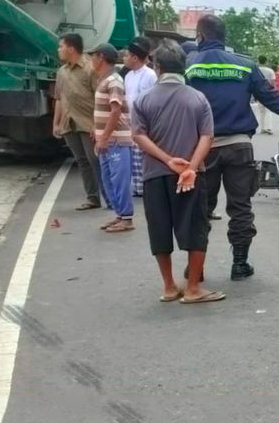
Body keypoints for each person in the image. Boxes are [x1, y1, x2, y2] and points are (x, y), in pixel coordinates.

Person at [186, 15, 279, 280]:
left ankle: (196, 269)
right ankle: (240, 264)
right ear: (224, 37)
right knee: (240, 207)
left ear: (200, 37)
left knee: (201, 208)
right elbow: (274, 100)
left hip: (203, 150)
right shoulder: (245, 66)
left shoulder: (189, 66)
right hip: (239, 145)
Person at [131, 44, 224, 304]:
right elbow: (207, 136)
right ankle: (193, 288)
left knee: (160, 229)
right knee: (196, 228)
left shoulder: (143, 100)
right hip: (192, 176)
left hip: (155, 175)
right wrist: (191, 168)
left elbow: (138, 135)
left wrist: (168, 160)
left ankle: (170, 287)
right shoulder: (197, 98)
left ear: (156, 67)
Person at [52, 33, 102, 211]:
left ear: (71, 49)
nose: (59, 50)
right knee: (81, 160)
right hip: (69, 122)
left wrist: (98, 124)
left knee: (94, 159)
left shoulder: (90, 69)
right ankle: (92, 197)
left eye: (61, 46)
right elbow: (59, 98)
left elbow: (99, 98)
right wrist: (56, 123)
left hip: (88, 122)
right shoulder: (62, 72)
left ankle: (110, 197)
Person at [89, 44, 135, 233]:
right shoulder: (104, 80)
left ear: (101, 57)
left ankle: (126, 218)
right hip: (108, 141)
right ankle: (120, 215)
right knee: (109, 180)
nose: (91, 60)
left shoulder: (114, 81)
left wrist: (103, 137)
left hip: (116, 140)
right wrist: (96, 130)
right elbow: (106, 110)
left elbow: (115, 111)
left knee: (119, 180)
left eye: (93, 56)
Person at [123, 37, 157, 198]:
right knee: (134, 157)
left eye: (126, 55)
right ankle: (137, 187)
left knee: (144, 155)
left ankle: (146, 186)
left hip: (146, 123)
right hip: (131, 122)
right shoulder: (128, 76)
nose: (124, 58)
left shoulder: (150, 75)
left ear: (135, 57)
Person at [255, 55, 276, 135]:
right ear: (266, 61)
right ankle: (269, 128)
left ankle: (262, 128)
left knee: (261, 112)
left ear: (258, 61)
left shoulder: (256, 70)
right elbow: (273, 83)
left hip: (259, 92)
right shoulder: (270, 71)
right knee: (269, 111)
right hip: (268, 92)